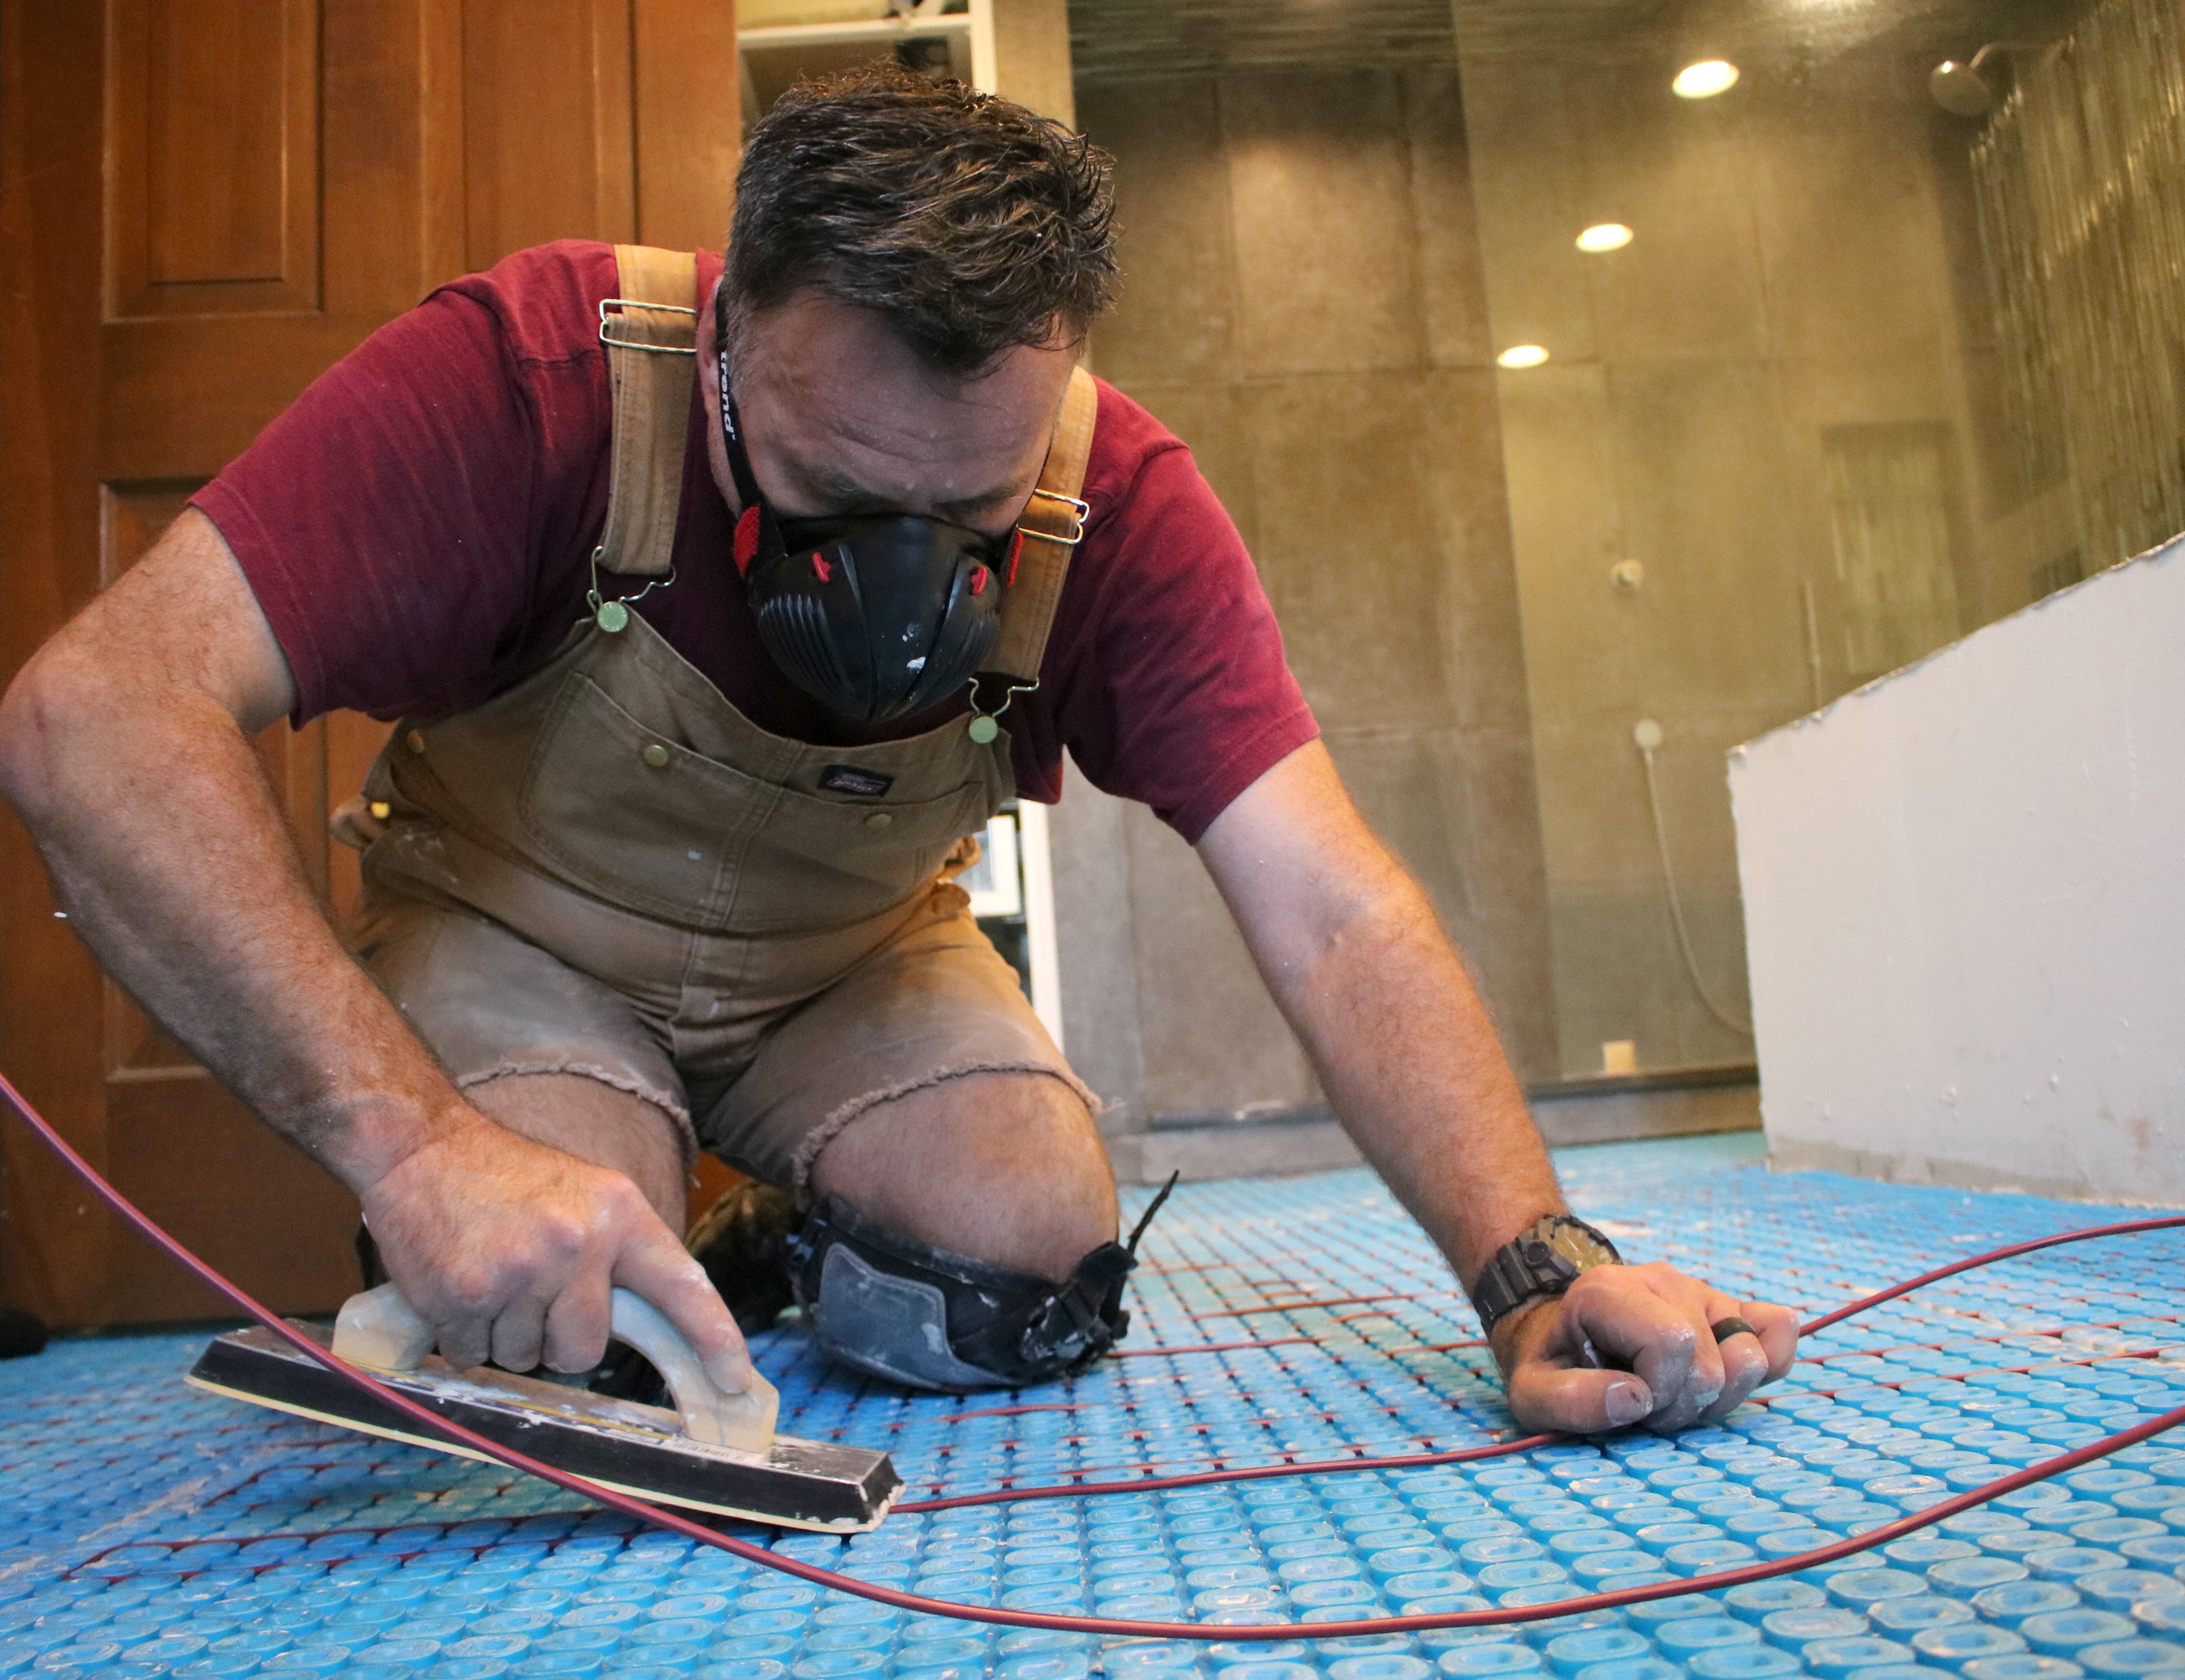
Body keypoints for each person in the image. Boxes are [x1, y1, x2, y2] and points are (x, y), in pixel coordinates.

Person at [0, 68, 1799, 1427]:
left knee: (1019, 1261)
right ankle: (605, 1180)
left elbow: (1329, 908)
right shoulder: (530, 380)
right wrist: (416, 1152)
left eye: (972, 512)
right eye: (836, 492)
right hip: (516, 937)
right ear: (728, 336)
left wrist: (1530, 1271)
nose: (898, 581)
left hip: (851, 964)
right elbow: (94, 713)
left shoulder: (1124, 504)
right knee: (577, 1329)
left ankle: (770, 1228)